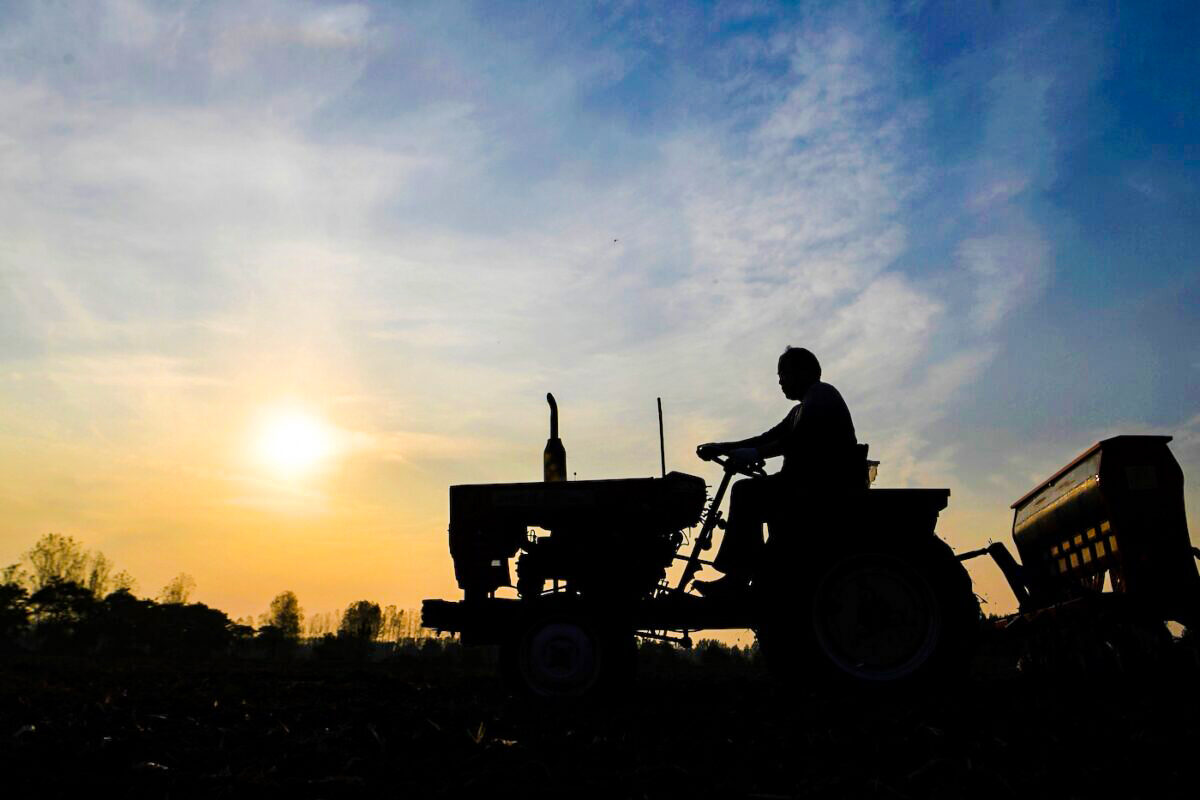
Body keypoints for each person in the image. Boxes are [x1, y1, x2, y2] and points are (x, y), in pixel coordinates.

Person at [693, 347, 860, 597]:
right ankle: (753, 573)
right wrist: (724, 448)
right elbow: (768, 437)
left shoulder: (821, 395)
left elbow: (800, 439)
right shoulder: (800, 409)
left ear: (802, 371)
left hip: (817, 489)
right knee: (751, 491)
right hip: (801, 485)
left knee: (745, 493)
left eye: (783, 373)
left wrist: (756, 454)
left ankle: (738, 578)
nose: (780, 381)